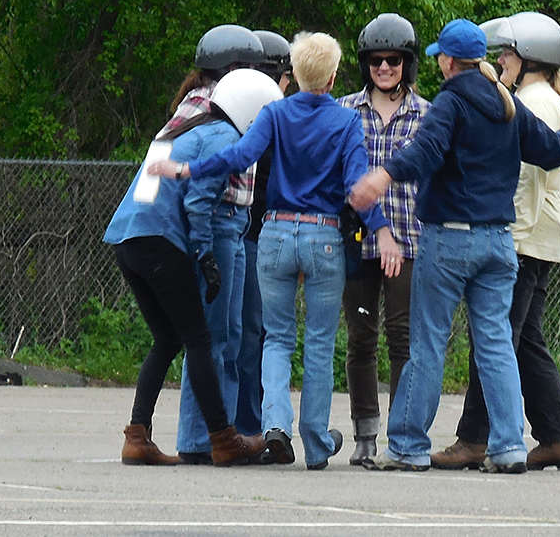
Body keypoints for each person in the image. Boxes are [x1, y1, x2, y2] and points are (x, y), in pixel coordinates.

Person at [148, 31, 394, 470]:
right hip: (322, 237)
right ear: (334, 77)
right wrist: (384, 231)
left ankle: (275, 426)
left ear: (294, 74)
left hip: (276, 233)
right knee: (319, 342)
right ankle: (317, 441)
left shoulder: (276, 114)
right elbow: (359, 188)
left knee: (275, 339)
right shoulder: (345, 121)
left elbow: (239, 155)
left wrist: (186, 167)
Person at [348, 18, 560, 474]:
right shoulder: (505, 101)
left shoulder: (451, 102)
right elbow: (552, 150)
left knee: (428, 343)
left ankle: (410, 446)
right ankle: (509, 447)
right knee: (495, 344)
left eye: (439, 57)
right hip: (498, 242)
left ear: (449, 61)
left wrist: (383, 175)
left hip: (448, 239)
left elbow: (428, 151)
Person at [429, 11, 560, 471]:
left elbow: (523, 180)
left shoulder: (532, 101)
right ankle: (557, 437)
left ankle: (476, 437)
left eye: (508, 53)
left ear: (530, 56)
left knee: (493, 336)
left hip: (524, 233)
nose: (501, 60)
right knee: (523, 338)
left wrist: (506, 230)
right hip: (544, 233)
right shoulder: (539, 98)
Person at [104, 68, 281, 467]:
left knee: (168, 339)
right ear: (251, 112)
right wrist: (205, 256)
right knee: (201, 340)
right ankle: (223, 439)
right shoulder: (225, 137)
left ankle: (137, 436)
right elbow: (198, 204)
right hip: (161, 241)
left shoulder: (185, 128)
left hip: (128, 238)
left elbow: (150, 190)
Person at [161, 25, 264, 464]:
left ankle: (224, 435)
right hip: (217, 222)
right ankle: (203, 439)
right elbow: (185, 172)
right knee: (212, 337)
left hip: (234, 222)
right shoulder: (207, 106)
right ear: (231, 68)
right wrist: (202, 248)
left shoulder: (213, 103)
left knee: (231, 334)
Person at [335, 13, 430, 465]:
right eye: (376, 61)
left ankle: (402, 435)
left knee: (404, 338)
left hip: (409, 240)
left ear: (407, 64)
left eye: (393, 60)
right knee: (360, 337)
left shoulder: (427, 114)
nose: (384, 68)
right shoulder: (344, 109)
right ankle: (364, 435)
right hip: (357, 240)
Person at [233, 29, 292, 437]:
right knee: (255, 331)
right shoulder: (275, 115)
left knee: (239, 330)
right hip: (258, 236)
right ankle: (249, 423)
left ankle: (240, 419)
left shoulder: (237, 112)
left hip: (241, 232)